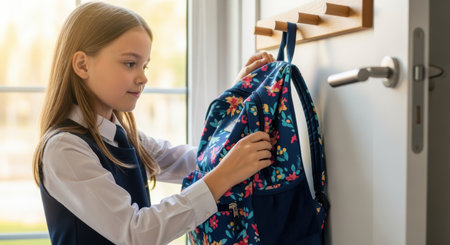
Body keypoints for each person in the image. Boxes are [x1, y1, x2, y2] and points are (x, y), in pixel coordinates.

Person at [32, 2, 275, 245]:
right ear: (83, 65)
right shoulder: (64, 149)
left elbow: (194, 160)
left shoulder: (122, 137)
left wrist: (234, 100)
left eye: (144, 65)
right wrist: (224, 176)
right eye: (130, 63)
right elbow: (135, 232)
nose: (143, 77)